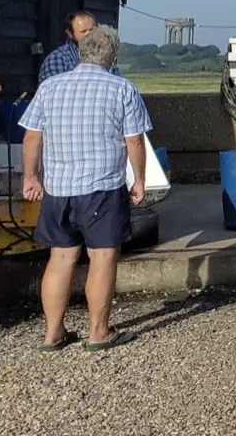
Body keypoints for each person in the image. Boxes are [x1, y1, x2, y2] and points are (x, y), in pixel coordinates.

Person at [20, 24, 151, 351]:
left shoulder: (50, 87)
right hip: (101, 187)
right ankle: (98, 332)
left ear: (81, 52)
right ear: (113, 56)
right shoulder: (122, 89)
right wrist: (139, 180)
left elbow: (32, 137)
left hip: (58, 188)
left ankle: (52, 333)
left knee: (61, 258)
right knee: (102, 257)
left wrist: (30, 177)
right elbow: (134, 141)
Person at [38, 10, 95, 82]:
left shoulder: (104, 55)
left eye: (92, 30)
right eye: (83, 31)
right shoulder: (58, 59)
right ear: (69, 33)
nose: (90, 35)